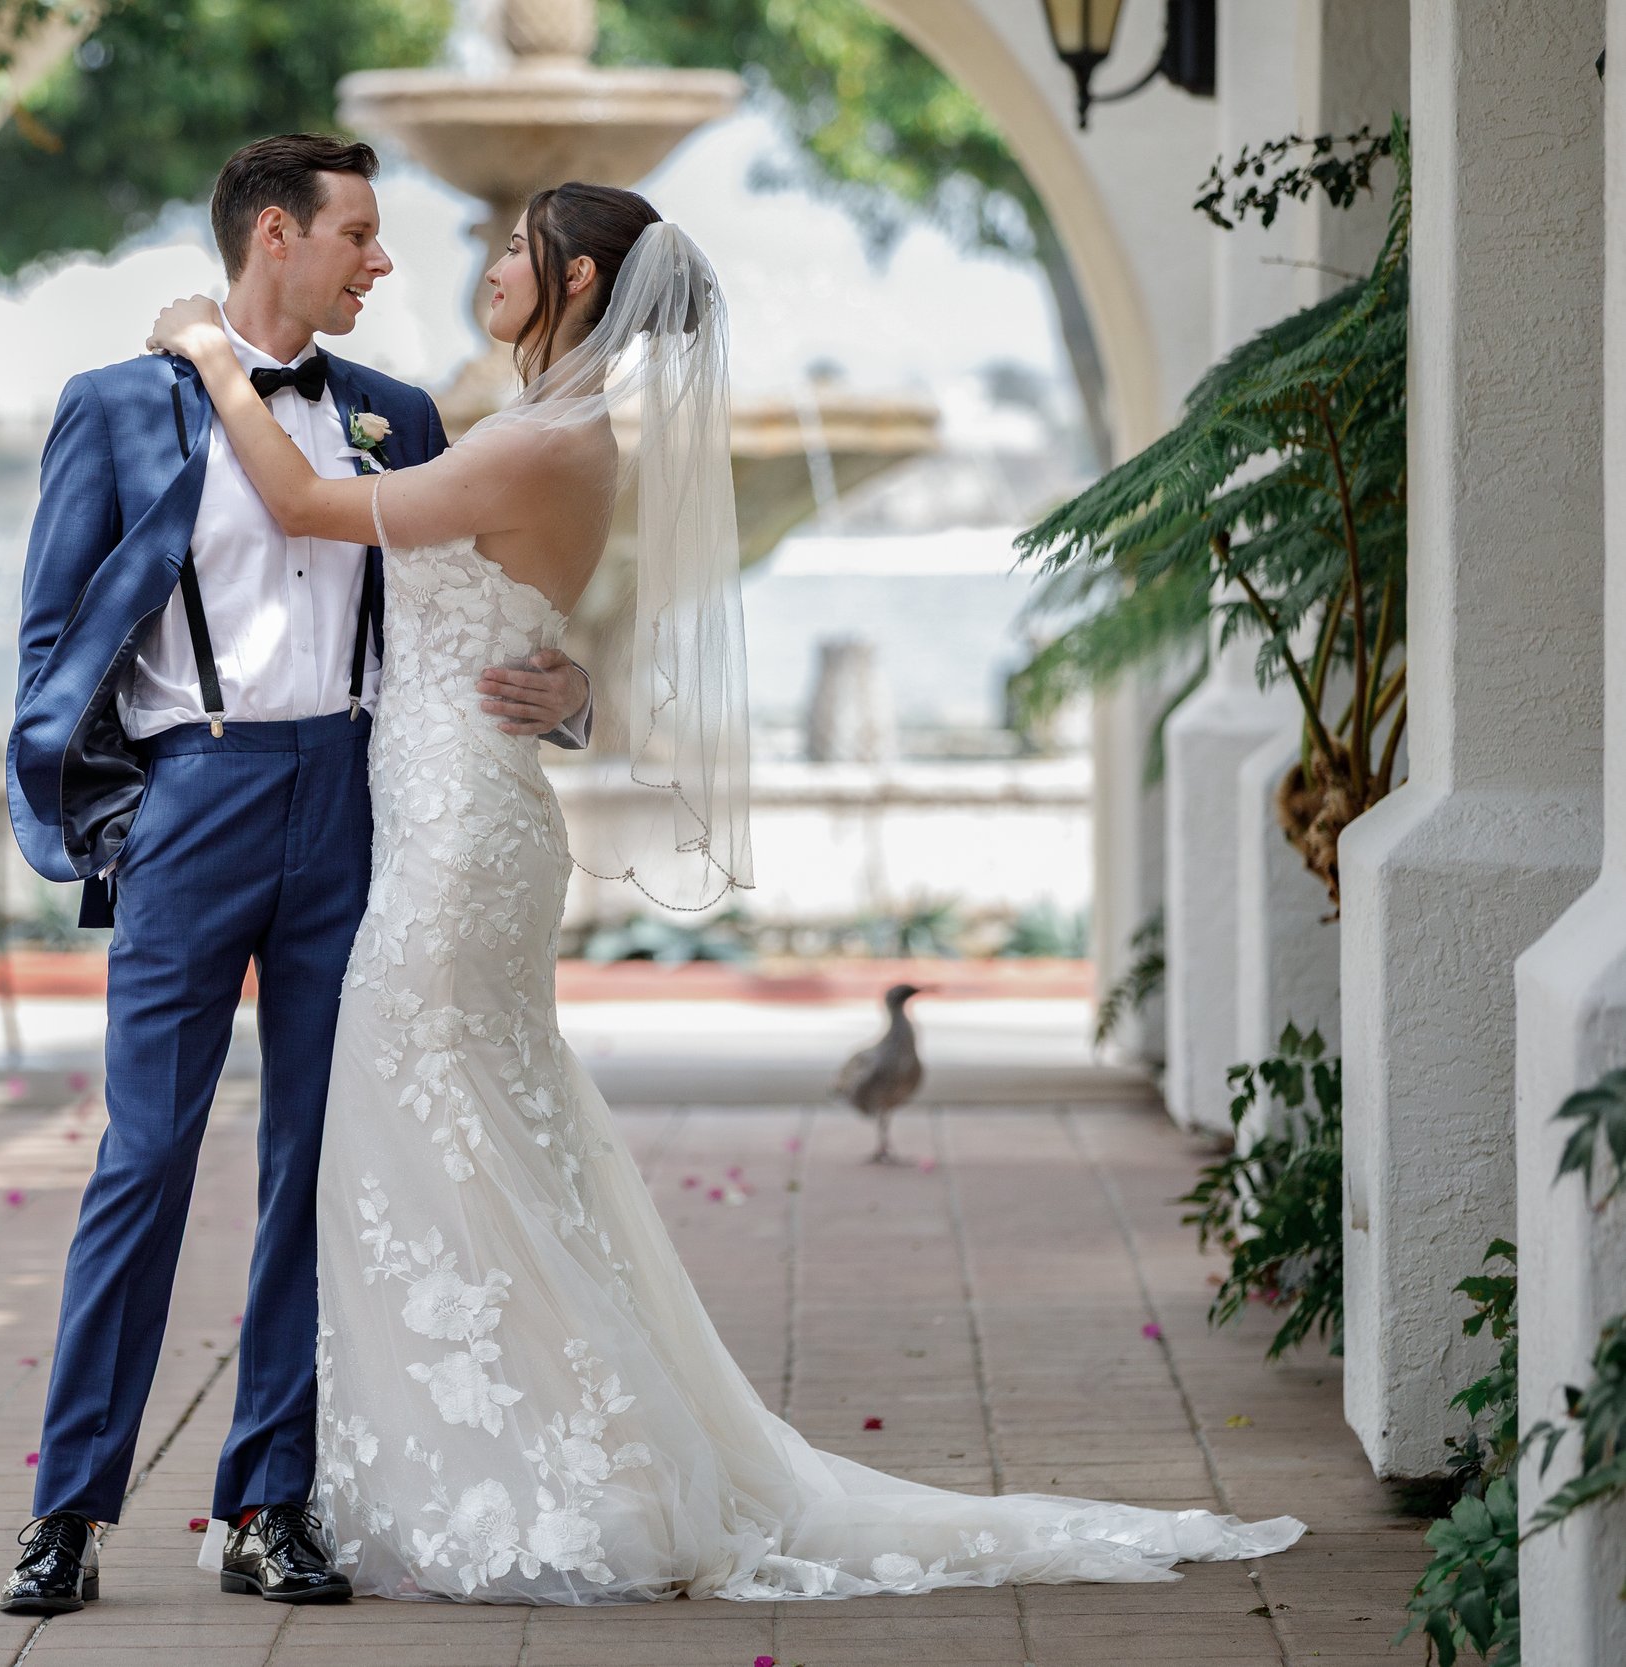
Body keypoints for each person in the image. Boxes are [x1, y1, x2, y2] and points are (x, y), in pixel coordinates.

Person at [145, 180, 1306, 1603]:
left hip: (456, 840)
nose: (490, 264)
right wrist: (577, 695)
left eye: (517, 248)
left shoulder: (550, 442)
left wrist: (209, 348)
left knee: (436, 1139)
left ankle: (532, 1475)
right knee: (463, 1145)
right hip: (451, 809)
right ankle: (442, 1459)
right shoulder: (535, 434)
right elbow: (501, 624)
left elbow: (310, 503)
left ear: (576, 284)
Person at [0, 133, 595, 1616]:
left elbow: (485, 604)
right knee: (146, 1158)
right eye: (359, 235)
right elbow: (47, 651)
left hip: (354, 808)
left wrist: (570, 695)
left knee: (321, 1167)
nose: (384, 263)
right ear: (278, 235)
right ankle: (69, 1513)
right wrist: (111, 825)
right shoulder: (117, 408)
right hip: (189, 798)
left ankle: (271, 1501)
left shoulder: (393, 416)